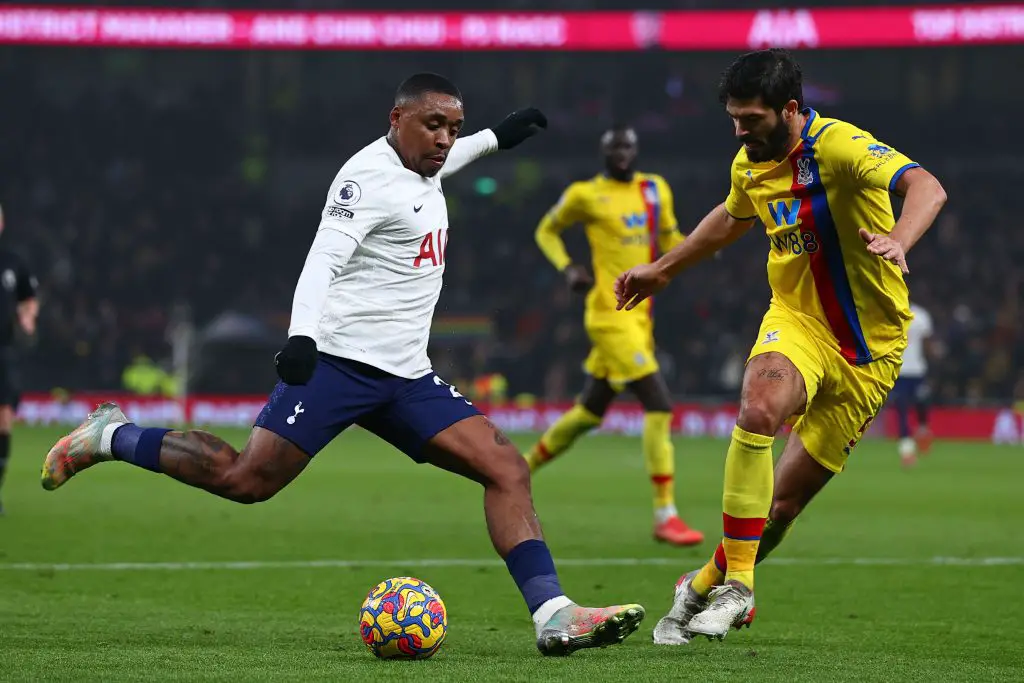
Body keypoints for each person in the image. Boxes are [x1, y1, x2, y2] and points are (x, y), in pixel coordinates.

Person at [41, 73, 645, 656]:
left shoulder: (425, 166)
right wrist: (301, 337)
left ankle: (553, 615)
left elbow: (446, 162)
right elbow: (322, 260)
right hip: (338, 366)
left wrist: (492, 139)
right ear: (396, 119)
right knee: (245, 481)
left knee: (507, 468)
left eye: (454, 128)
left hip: (406, 375)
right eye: (434, 125)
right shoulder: (364, 178)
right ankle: (111, 436)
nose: (445, 140)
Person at [614, 49, 947, 642]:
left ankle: (697, 590)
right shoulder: (750, 161)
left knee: (778, 512)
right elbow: (732, 215)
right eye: (734, 120)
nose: (740, 133)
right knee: (759, 408)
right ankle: (740, 589)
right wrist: (663, 268)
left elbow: (925, 185)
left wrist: (899, 237)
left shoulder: (839, 146)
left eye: (751, 120)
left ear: (790, 109)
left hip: (871, 350)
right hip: (797, 319)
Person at [527, 124, 703, 546]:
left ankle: (517, 469)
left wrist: (706, 241)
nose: (621, 153)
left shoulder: (655, 190)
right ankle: (666, 514)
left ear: (636, 149)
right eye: (613, 148)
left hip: (640, 318)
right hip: (608, 315)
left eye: (627, 146)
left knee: (589, 411)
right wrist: (569, 268)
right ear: (603, 153)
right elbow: (545, 230)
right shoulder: (585, 195)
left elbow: (669, 239)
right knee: (659, 405)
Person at [0, 204, 39, 516]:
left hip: (3, 352)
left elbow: (28, 297)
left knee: (3, 421)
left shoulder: (13, 263)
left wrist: (28, 317)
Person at [891, 301, 934, 467]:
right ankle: (907, 451)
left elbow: (926, 343)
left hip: (918, 370)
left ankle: (923, 431)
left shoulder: (921, 315)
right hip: (899, 371)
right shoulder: (891, 311)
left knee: (921, 404)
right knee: (902, 409)